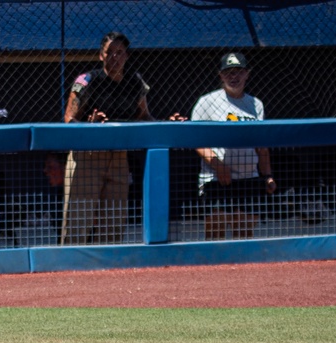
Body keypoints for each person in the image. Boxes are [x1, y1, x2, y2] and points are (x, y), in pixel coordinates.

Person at [61, 31, 176, 246]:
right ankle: (69, 272)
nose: (115, 57)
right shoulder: (86, 81)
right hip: (87, 157)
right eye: (110, 52)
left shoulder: (135, 82)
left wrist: (166, 123)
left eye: (120, 52)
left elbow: (143, 115)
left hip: (119, 159)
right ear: (101, 56)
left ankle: (109, 275)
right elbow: (68, 119)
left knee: (113, 224)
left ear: (127, 56)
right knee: (77, 224)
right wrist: (90, 126)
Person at [190, 52, 277, 240]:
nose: (234, 77)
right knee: (215, 238)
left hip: (249, 179)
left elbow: (261, 146)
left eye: (238, 71)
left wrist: (268, 175)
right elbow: (196, 139)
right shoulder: (207, 102)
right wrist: (218, 166)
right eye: (228, 72)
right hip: (217, 179)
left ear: (247, 74)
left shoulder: (255, 104)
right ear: (220, 75)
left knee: (244, 237)